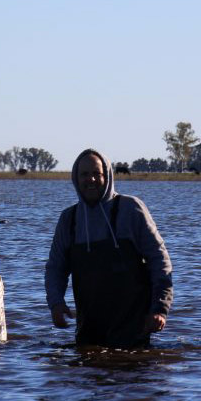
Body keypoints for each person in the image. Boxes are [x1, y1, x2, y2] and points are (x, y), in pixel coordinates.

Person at [44, 149, 173, 348]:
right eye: (85, 174)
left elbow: (160, 262)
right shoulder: (69, 219)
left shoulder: (131, 209)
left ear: (107, 175)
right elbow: (55, 268)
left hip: (133, 328)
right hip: (89, 329)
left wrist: (159, 309)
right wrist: (56, 303)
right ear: (76, 179)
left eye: (97, 173)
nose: (91, 180)